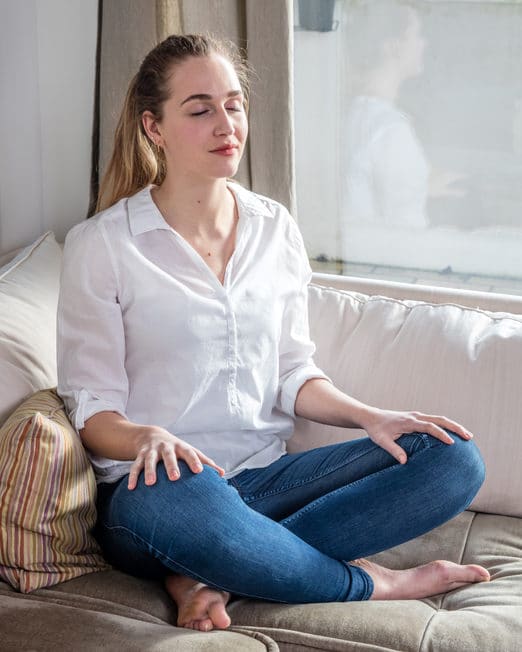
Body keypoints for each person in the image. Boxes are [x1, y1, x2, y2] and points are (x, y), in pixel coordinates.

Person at [57, 33, 489, 634]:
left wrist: (372, 417)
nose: (225, 124)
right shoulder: (102, 245)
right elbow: (92, 411)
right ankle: (368, 583)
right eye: (200, 108)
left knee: (451, 458)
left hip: (265, 478)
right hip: (159, 492)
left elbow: (291, 372)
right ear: (154, 127)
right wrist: (148, 436)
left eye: (234, 105)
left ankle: (211, 571)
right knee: (189, 503)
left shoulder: (273, 227)